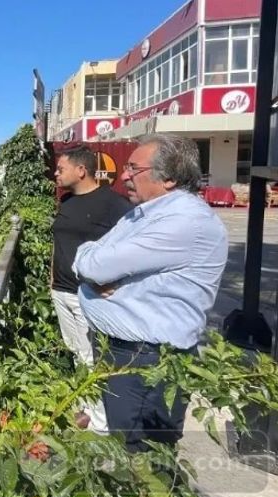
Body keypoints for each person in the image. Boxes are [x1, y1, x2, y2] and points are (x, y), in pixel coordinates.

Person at [73, 134, 228, 452]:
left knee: (143, 461)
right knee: (125, 449)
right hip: (126, 355)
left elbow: (95, 266)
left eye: (133, 168)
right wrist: (92, 267)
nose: (124, 175)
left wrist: (94, 269)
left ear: (168, 177)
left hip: (147, 364)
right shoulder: (141, 214)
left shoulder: (184, 221)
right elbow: (86, 258)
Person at [51, 145, 132, 433]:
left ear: (81, 170)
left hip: (89, 295)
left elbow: (132, 247)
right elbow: (59, 243)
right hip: (61, 291)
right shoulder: (67, 202)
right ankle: (85, 408)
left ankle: (100, 423)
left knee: (94, 357)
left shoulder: (114, 204)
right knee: (76, 351)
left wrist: (117, 282)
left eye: (61, 169)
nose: (56, 174)